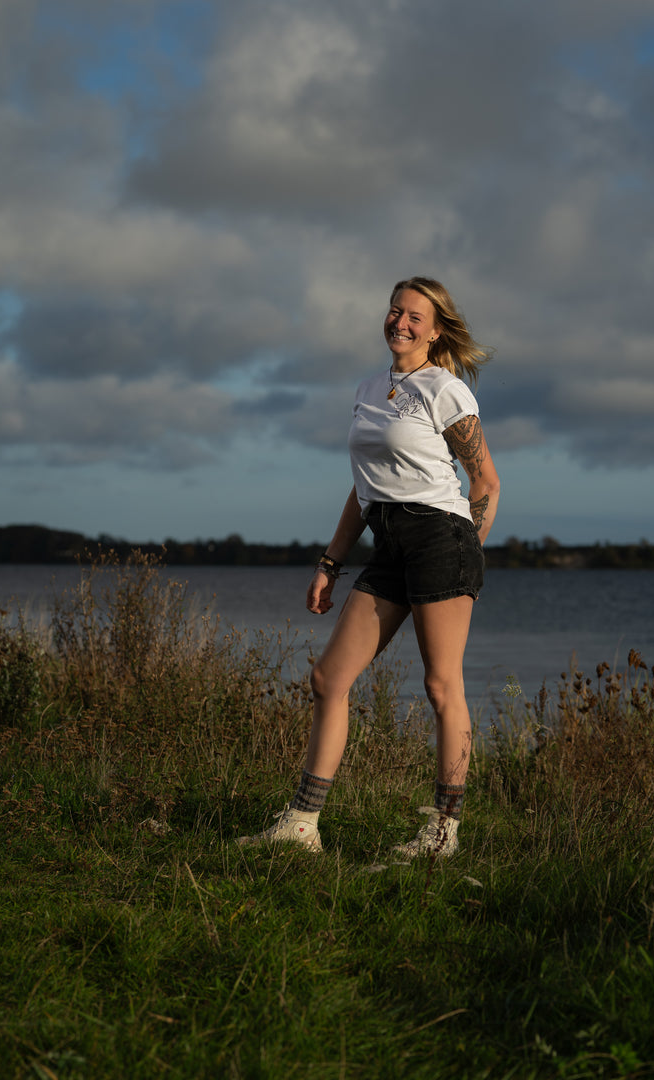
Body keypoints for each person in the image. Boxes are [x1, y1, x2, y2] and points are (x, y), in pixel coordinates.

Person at [238, 276, 500, 858]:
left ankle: (442, 833)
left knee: (440, 686)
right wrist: (330, 563)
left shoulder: (444, 390)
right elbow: (362, 491)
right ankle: (302, 824)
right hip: (387, 542)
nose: (400, 322)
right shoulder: (366, 388)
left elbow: (485, 481)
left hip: (440, 539)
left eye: (414, 316)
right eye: (394, 311)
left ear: (435, 330)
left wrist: (466, 553)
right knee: (329, 679)